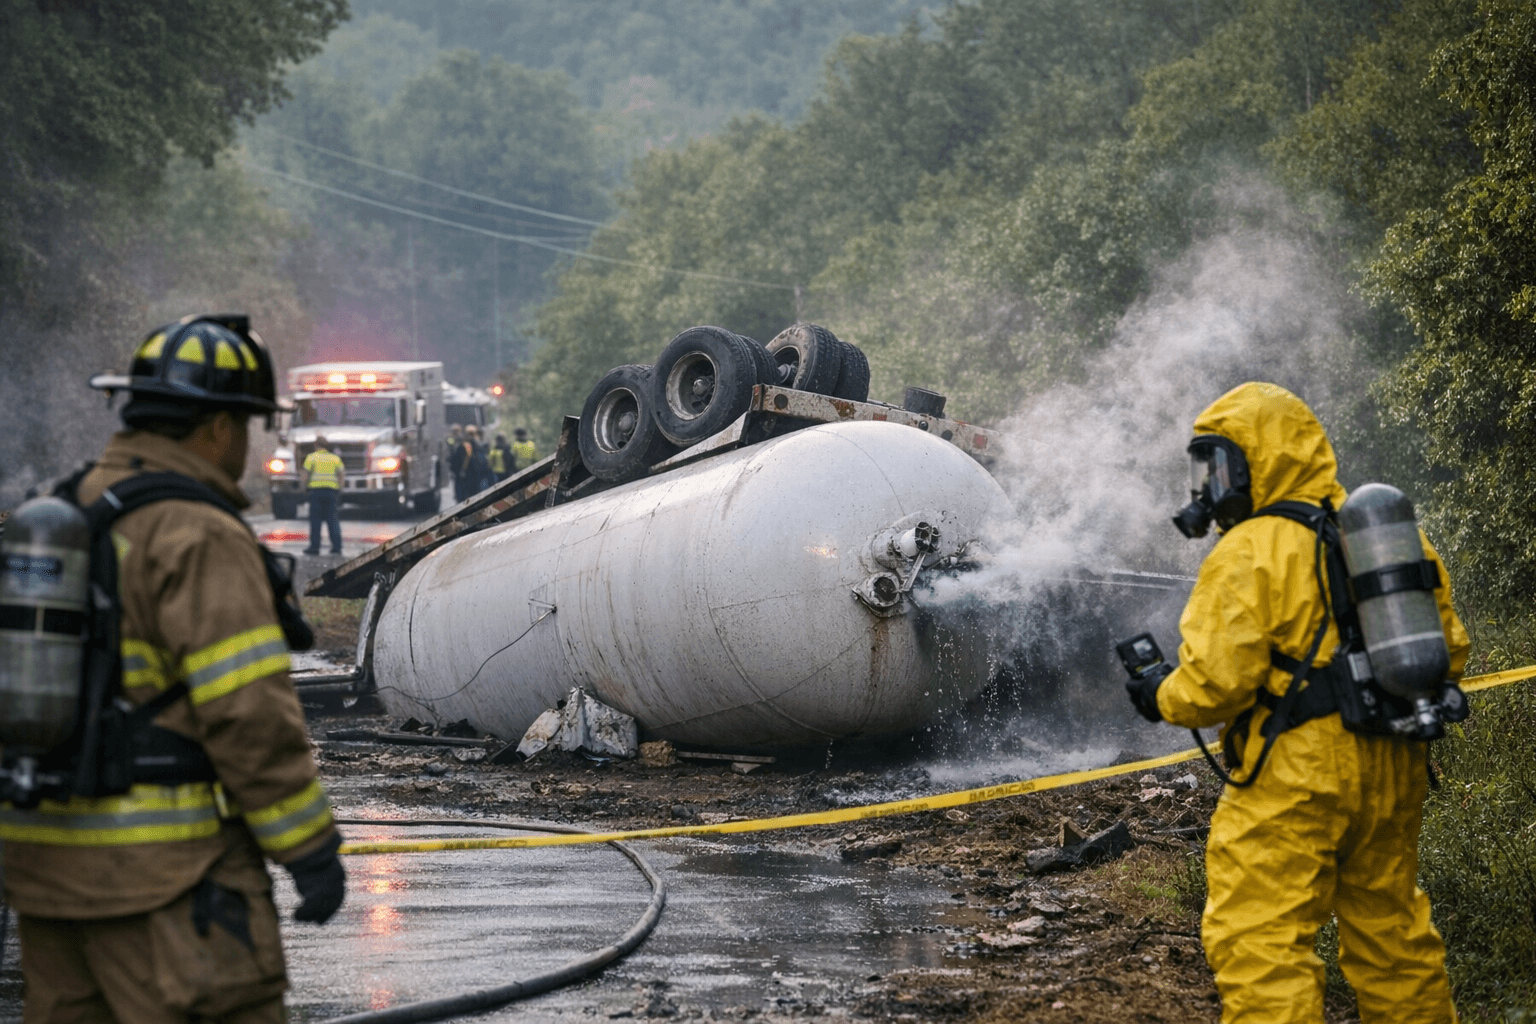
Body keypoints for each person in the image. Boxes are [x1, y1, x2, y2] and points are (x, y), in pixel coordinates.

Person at [1, 314, 345, 1024]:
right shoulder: (197, 532)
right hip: (166, 882)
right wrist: (309, 848)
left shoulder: (61, 511)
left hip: (44, 875)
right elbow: (247, 711)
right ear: (218, 426)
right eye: (247, 425)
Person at [1126, 381, 1467, 1023]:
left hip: (1298, 774)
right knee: (1394, 936)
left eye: (1219, 465)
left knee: (1260, 940)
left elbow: (1214, 686)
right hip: (1394, 757)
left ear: (1256, 461)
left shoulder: (1251, 549)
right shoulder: (1384, 535)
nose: (1211, 485)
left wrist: (1158, 694)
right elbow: (1450, 647)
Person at [301, 435, 344, 556]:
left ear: (316, 445)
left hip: (315, 493)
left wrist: (303, 489)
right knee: (332, 520)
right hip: (331, 493)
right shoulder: (335, 458)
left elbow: (305, 475)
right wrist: (340, 489)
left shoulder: (311, 457)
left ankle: (314, 548)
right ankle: (337, 547)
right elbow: (341, 474)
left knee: (315, 521)